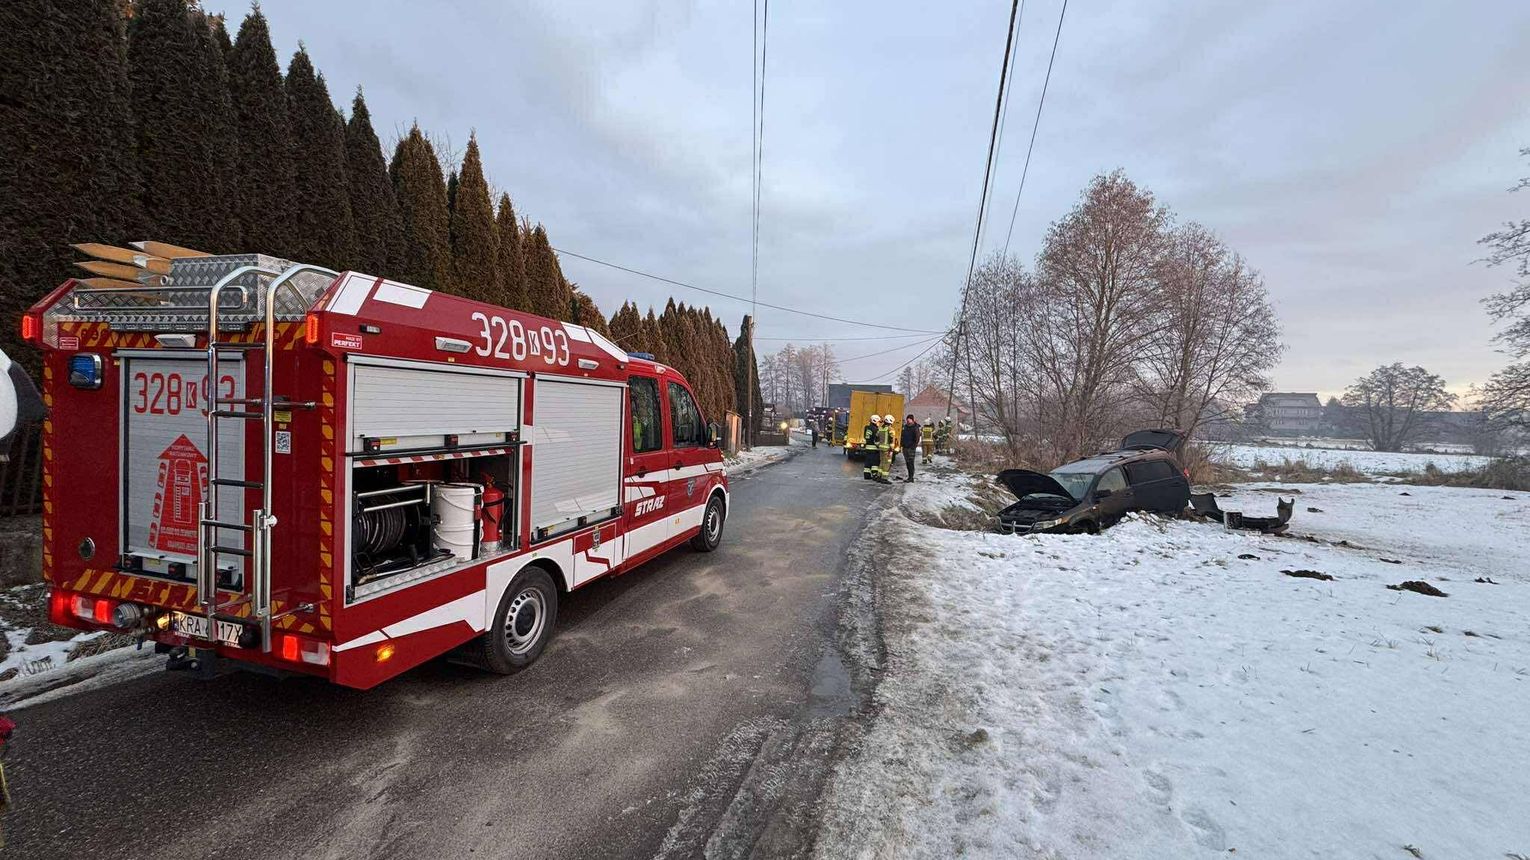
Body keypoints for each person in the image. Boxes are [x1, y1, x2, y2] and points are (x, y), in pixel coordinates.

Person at [900, 414, 920, 481]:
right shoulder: (905, 427)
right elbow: (902, 436)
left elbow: (917, 438)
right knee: (907, 463)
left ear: (912, 420)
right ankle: (909, 476)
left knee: (911, 463)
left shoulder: (915, 427)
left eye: (909, 419)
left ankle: (911, 477)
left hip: (911, 448)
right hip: (905, 447)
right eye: (907, 419)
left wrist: (914, 446)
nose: (908, 421)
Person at [877, 413, 896, 484]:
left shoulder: (881, 428)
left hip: (881, 448)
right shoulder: (891, 429)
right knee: (887, 463)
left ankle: (879, 476)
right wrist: (891, 449)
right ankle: (884, 478)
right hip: (887, 449)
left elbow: (877, 438)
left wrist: (878, 445)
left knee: (881, 462)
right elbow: (891, 439)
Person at [862, 414, 881, 480]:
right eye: (878, 422)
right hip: (874, 448)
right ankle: (875, 474)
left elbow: (865, 437)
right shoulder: (876, 430)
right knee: (874, 463)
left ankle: (866, 475)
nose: (879, 423)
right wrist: (880, 446)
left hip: (867, 448)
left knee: (868, 462)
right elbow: (876, 440)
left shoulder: (866, 428)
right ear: (875, 421)